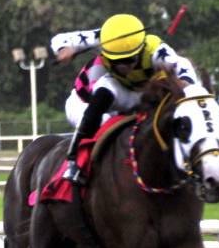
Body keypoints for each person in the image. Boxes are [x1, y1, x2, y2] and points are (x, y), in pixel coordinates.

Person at [50, 13, 206, 184]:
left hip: (132, 95)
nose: (123, 67)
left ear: (140, 51)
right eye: (116, 61)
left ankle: (183, 164)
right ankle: (74, 162)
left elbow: (183, 66)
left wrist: (185, 86)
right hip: (83, 103)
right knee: (104, 114)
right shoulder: (106, 38)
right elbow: (60, 40)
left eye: (129, 60)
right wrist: (64, 49)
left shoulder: (156, 50)